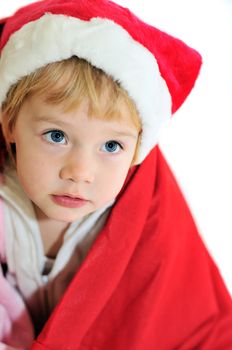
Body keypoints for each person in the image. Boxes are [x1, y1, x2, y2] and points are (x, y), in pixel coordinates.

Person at [0, 0, 232, 349]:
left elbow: (182, 317)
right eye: (57, 136)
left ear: (138, 148)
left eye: (111, 146)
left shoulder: (147, 216)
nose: (79, 172)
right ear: (10, 125)